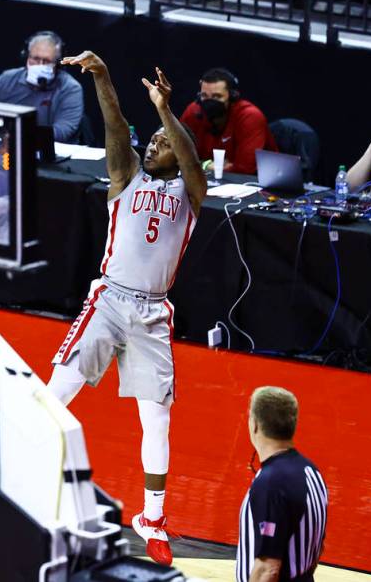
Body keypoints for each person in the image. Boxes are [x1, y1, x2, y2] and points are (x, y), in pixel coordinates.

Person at [46, 52, 206, 566]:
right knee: (55, 397)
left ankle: (152, 518)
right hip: (110, 300)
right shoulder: (126, 179)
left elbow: (188, 154)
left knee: (156, 422)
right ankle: (23, 478)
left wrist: (166, 112)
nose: (154, 145)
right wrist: (103, 76)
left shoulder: (191, 193)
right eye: (152, 141)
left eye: (162, 143)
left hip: (154, 314)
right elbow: (116, 127)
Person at [237, 386, 328, 582]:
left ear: (255, 425)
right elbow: (318, 546)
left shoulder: (272, 483)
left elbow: (268, 569)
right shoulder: (311, 471)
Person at [0, 31, 84, 142]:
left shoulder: (70, 88)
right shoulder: (6, 79)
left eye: (47, 61)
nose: (40, 65)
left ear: (58, 64)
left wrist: (18, 135)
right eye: (35, 59)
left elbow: (63, 132)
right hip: (5, 147)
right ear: (26, 57)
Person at [179, 67, 277, 174]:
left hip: (255, 183)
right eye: (204, 96)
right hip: (208, 182)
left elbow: (245, 169)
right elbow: (177, 154)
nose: (210, 102)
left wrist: (199, 165)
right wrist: (206, 165)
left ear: (232, 96)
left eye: (217, 96)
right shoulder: (193, 112)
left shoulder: (250, 116)